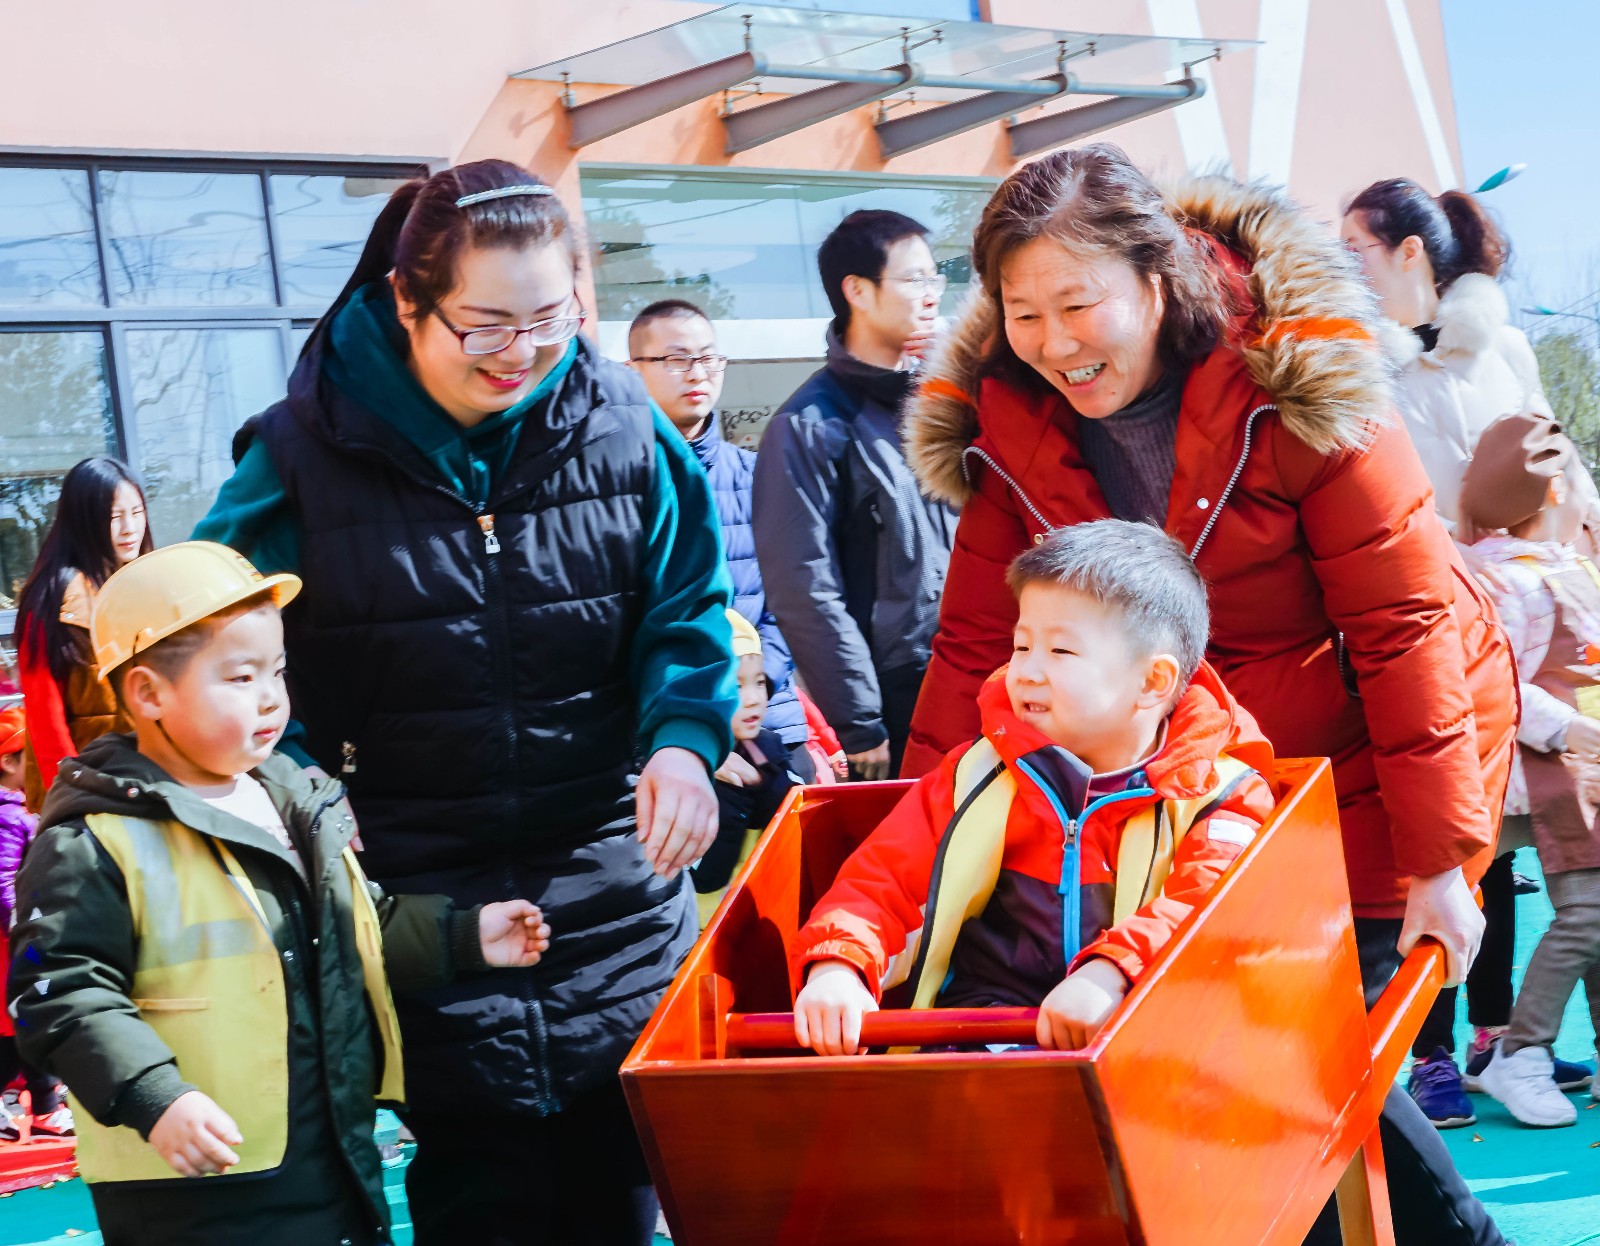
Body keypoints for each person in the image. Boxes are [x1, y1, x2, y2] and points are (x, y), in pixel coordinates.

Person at [902, 145, 1515, 1246]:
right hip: (1195, 781)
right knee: (1245, 1070)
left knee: (1300, 1064)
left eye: (1078, 305)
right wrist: (916, 852)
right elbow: (975, 649)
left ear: (1157, 279)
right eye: (1023, 314)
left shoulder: (1298, 375)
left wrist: (1438, 863)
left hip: (1367, 753)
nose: (1054, 343)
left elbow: (1402, 626)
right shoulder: (1013, 422)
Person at [192, 160, 736, 1246]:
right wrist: (303, 789)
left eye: (549, 319)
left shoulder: (627, 424)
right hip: (422, 903)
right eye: (483, 325)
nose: (518, 353)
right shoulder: (298, 452)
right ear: (407, 300)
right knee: (480, 1197)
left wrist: (683, 740)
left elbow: (688, 607)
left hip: (611, 890)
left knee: (617, 1194)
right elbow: (218, 649)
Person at [6, 542, 550, 1246]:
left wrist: (461, 935)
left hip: (328, 1151)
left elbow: (352, 929)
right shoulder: (95, 839)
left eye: (278, 671)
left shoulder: (292, 802)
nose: (269, 697)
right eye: (240, 677)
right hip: (196, 1185)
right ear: (148, 694)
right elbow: (58, 989)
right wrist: (154, 1095)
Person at [790, 521, 1275, 1055]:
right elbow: (883, 879)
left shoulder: (1217, 795)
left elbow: (1208, 903)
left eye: (1061, 652)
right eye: (1022, 645)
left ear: (1152, 681)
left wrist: (1111, 972)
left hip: (1140, 1038)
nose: (1026, 671)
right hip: (980, 1027)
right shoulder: (976, 774)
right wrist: (839, 964)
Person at [1342, 178, 1583, 1126]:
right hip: (1423, 608)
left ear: (1409, 252)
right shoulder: (1364, 366)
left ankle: (1493, 1037)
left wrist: (1577, 547)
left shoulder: (1504, 347)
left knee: (1503, 829)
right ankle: (1431, 1051)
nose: (1345, 266)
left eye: (1357, 248)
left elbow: (1560, 461)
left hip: (1518, 610)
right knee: (1445, 827)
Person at [753, 209, 958, 781]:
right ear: (858, 291)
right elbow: (805, 586)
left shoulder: (944, 400)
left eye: (935, 278)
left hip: (974, 673)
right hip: (895, 696)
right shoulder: (808, 425)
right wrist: (860, 721)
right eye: (914, 279)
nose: (931, 294)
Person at [1456, 415, 1600, 1127]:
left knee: (1596, 910)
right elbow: (1500, 682)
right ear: (1554, 490)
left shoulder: (1563, 566)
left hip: (1582, 765)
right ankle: (1522, 1052)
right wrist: (1572, 728)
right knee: (1588, 913)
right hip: (1552, 770)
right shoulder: (1509, 580)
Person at [628, 299, 808, 768]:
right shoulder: (615, 486)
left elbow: (792, 603)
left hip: (770, 723)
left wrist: (752, 686)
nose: (697, 373)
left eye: (708, 358)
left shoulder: (759, 475)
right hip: (664, 738)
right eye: (676, 359)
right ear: (632, 371)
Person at [15, 456, 153, 811]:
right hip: (89, 786)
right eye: (114, 516)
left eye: (137, 512)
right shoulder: (53, 595)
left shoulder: (146, 582)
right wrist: (74, 796)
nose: (130, 528)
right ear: (84, 519)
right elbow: (45, 719)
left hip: (146, 777)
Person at [695, 611, 801, 923]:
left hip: (756, 918)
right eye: (736, 685)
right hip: (701, 930)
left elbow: (794, 833)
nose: (754, 698)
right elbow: (706, 877)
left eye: (759, 682)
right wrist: (733, 797)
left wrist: (769, 784)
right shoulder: (691, 770)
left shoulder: (768, 749)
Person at [0, 704, 71, 1143]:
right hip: (12, 944)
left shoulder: (20, 810)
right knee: (21, 1025)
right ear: (8, 762)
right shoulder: (8, 816)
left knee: (25, 1024)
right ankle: (44, 1105)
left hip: (19, 940)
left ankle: (45, 1105)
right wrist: (23, 929)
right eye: (29, 755)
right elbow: (3, 879)